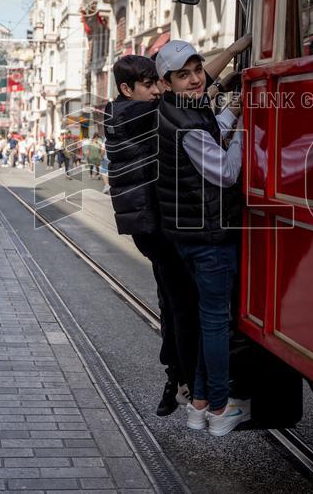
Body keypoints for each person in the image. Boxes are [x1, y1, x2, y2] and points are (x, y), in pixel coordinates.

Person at [156, 38, 250, 436]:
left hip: (190, 232)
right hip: (208, 234)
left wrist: (229, 113)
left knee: (205, 317)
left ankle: (197, 405)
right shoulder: (186, 121)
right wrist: (244, 128)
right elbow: (225, 171)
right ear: (166, 83)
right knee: (215, 322)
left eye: (197, 70)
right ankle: (220, 406)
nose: (196, 79)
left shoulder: (181, 109)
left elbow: (209, 131)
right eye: (185, 75)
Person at [105, 55, 200, 417]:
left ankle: (175, 377)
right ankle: (186, 381)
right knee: (182, 303)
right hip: (155, 226)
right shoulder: (135, 113)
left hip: (148, 226)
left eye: (158, 83)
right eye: (149, 85)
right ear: (127, 89)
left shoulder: (120, 110)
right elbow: (193, 93)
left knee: (170, 300)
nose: (158, 90)